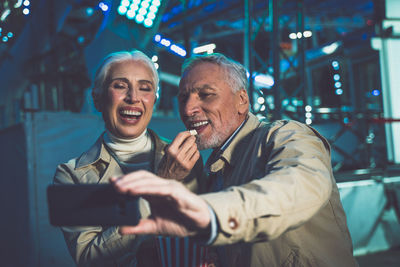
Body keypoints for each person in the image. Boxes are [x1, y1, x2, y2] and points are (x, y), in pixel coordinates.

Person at [111, 53, 359, 267]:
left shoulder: (285, 134)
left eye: (206, 95)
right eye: (183, 97)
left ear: (242, 101)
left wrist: (211, 214)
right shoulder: (215, 172)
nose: (188, 110)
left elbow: (302, 183)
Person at [53, 50, 202, 266]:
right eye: (120, 86)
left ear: (154, 101)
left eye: (145, 88)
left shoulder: (186, 158)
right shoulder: (71, 176)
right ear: (97, 99)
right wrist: (160, 187)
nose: (133, 97)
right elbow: (87, 258)